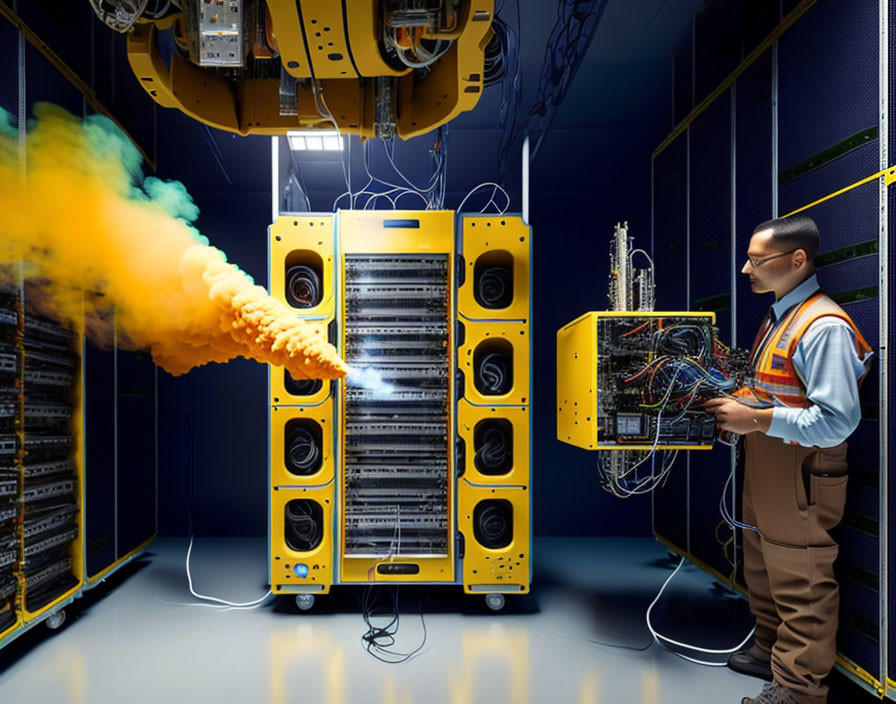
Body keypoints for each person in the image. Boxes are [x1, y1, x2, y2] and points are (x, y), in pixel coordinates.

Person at [702, 215, 873, 704]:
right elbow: (777, 392)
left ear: (797, 260)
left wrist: (753, 420)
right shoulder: (781, 315)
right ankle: (768, 649)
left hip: (802, 469)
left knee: (799, 574)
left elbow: (838, 421)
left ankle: (798, 690)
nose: (745, 269)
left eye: (757, 260)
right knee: (761, 559)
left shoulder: (823, 326)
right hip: (768, 459)